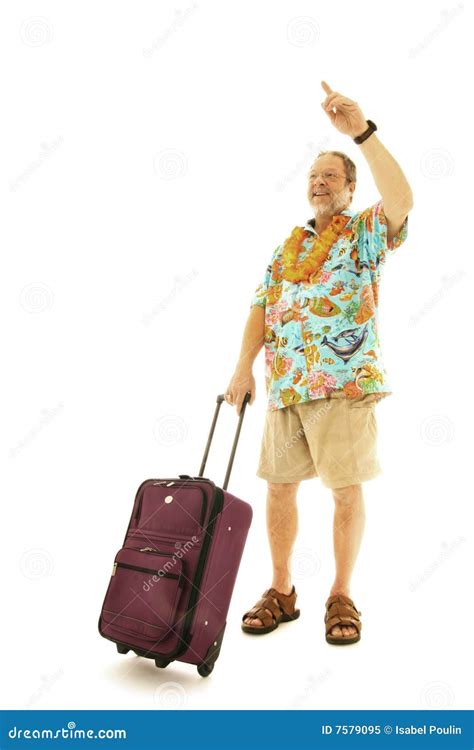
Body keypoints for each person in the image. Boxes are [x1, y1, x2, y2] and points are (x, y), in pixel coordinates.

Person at [224, 81, 413, 645]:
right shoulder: (286, 248)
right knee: (279, 488)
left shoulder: (363, 234)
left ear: (351, 188)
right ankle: (282, 591)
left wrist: (361, 133)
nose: (319, 183)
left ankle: (341, 595)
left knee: (345, 489)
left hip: (344, 384)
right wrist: (241, 368)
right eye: (312, 177)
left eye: (330, 175)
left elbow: (402, 200)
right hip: (285, 387)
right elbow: (261, 306)